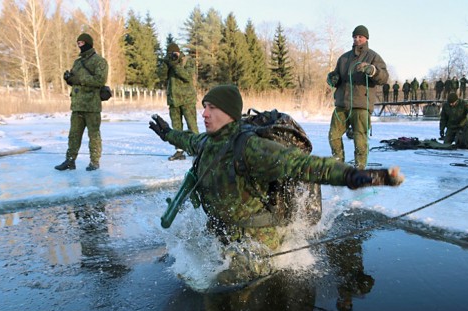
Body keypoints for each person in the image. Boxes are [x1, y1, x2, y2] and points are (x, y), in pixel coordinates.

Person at [148, 84, 404, 282]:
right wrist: (167, 133)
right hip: (226, 233)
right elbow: (187, 140)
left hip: (258, 242)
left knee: (223, 287)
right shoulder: (207, 143)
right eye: (204, 107)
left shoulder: (250, 147)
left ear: (229, 113)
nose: (204, 113)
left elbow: (303, 165)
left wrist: (352, 176)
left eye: (212, 108)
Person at [326, 25, 389, 170]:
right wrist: (332, 78)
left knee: (360, 140)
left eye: (360, 36)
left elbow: (384, 78)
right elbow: (336, 78)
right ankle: (338, 164)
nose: (357, 39)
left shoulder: (373, 56)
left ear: (366, 38)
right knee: (333, 135)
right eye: (355, 36)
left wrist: (372, 70)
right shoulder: (343, 58)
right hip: (342, 104)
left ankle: (359, 168)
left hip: (361, 105)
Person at [55, 33, 108, 171]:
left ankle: (94, 162)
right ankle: (70, 160)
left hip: (91, 105)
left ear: (89, 43)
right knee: (73, 135)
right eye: (78, 43)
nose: (80, 45)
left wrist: (80, 79)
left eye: (82, 43)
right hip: (77, 105)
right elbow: (75, 80)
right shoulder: (77, 62)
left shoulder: (99, 61)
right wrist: (69, 79)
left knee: (94, 135)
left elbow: (100, 80)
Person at [164, 42, 199, 161]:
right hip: (173, 99)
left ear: (179, 52)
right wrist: (166, 64)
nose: (173, 56)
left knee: (192, 125)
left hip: (187, 99)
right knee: (176, 127)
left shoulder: (187, 61)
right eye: (170, 54)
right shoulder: (169, 63)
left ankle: (198, 149)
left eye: (174, 53)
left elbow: (187, 77)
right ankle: (179, 151)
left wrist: (175, 65)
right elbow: (160, 75)